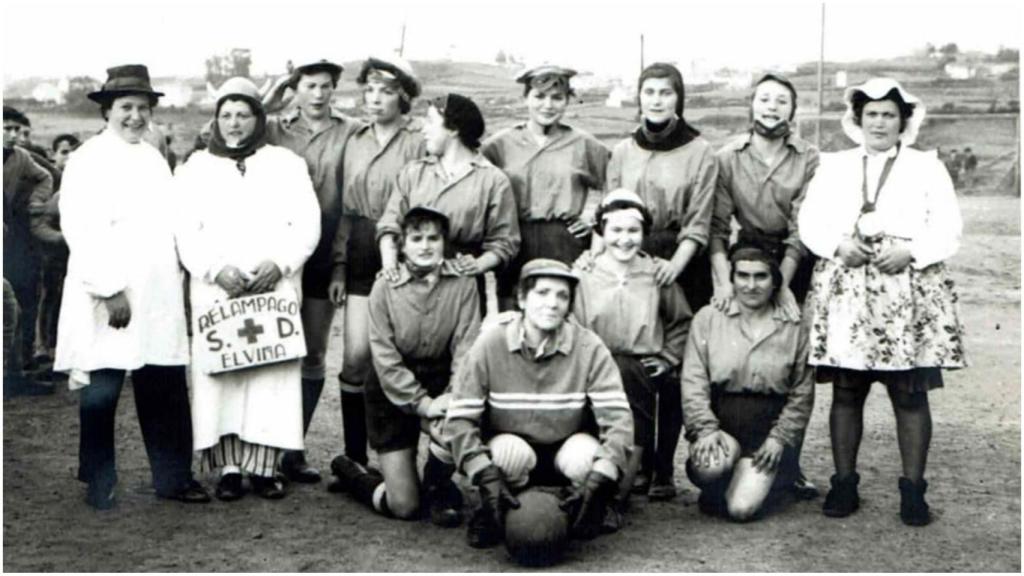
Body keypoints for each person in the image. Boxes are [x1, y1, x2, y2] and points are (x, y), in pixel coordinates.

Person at [798, 78, 966, 526]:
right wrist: (838, 246)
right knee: (848, 391)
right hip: (849, 285)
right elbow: (809, 221)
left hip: (905, 289)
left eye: (888, 115)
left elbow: (949, 226)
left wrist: (911, 251)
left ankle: (913, 492)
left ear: (903, 121)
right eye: (871, 114)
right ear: (857, 119)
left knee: (909, 395)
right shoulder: (833, 166)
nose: (879, 122)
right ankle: (844, 484)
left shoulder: (927, 167)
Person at [54, 64, 209, 509]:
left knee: (162, 380)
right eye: (126, 107)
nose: (136, 117)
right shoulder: (88, 160)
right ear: (107, 110)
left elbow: (172, 224)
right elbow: (82, 228)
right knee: (103, 385)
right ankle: (98, 477)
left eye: (143, 107)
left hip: (157, 289)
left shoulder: (153, 158)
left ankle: (173, 476)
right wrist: (108, 288)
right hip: (110, 292)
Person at [175, 77, 321, 501]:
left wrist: (280, 263)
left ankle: (266, 466)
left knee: (269, 374)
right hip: (219, 291)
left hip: (271, 287)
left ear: (258, 118)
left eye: (243, 115)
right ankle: (228, 468)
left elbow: (306, 222)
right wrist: (215, 268)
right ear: (215, 120)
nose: (234, 124)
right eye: (226, 116)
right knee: (223, 374)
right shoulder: (195, 168)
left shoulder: (285, 164)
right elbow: (185, 230)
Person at [446, 259, 634, 548]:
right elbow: (459, 420)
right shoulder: (490, 344)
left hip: (566, 448)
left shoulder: (589, 346)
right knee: (506, 453)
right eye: (542, 293)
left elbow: (619, 420)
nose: (553, 303)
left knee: (587, 458)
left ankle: (583, 504)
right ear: (521, 298)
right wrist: (484, 474)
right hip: (513, 450)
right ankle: (493, 507)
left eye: (562, 296)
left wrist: (602, 475)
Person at [592, 61, 717, 495]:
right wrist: (597, 263)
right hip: (629, 252)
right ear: (639, 97)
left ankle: (664, 467)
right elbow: (610, 217)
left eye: (666, 92)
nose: (657, 100)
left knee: (673, 363)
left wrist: (671, 269)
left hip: (680, 260)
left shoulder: (701, 151)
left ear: (679, 98)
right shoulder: (623, 150)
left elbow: (700, 222)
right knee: (635, 362)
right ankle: (637, 461)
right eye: (649, 92)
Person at [330, 206, 480, 527]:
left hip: (442, 383)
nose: (425, 246)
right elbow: (384, 360)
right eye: (416, 238)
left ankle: (437, 484)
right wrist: (422, 404)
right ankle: (351, 471)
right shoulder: (384, 287)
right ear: (402, 245)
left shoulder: (465, 284)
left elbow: (467, 351)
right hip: (391, 390)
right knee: (404, 506)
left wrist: (450, 398)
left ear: (444, 243)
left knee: (456, 422)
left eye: (433, 238)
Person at [709, 72, 820, 498]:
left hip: (795, 261)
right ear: (751, 106)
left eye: (781, 101)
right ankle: (732, 451)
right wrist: (722, 282)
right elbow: (718, 226)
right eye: (764, 100)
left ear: (793, 110)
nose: (771, 107)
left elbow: (800, 228)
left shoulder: (810, 158)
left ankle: (788, 464)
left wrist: (786, 285)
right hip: (744, 260)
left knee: (790, 358)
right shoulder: (727, 157)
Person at [262, 57, 364, 483]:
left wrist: (340, 265)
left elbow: (349, 204)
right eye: (309, 86)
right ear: (295, 88)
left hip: (324, 252)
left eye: (326, 86)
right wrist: (276, 90)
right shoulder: (274, 129)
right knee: (271, 351)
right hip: (274, 254)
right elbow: (227, 126)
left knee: (313, 352)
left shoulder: (350, 131)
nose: (319, 95)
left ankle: (293, 450)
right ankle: (261, 450)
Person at [326, 56, 426, 490]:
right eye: (369, 91)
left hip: (408, 249)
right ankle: (353, 458)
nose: (375, 99)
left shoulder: (419, 140)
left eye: (385, 91)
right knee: (356, 358)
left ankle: (409, 462)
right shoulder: (354, 139)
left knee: (405, 356)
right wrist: (339, 266)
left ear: (403, 96)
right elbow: (347, 212)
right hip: (363, 252)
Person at [572, 189, 692, 500]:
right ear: (601, 231)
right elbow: (570, 324)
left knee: (637, 384)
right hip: (593, 365)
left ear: (644, 234)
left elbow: (681, 320)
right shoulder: (584, 272)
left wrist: (667, 357)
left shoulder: (656, 273)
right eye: (616, 230)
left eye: (633, 231)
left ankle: (630, 480)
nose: (624, 239)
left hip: (639, 367)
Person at [682, 240, 814, 521]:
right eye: (742, 276)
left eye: (761, 276)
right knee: (709, 467)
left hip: (768, 430)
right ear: (732, 279)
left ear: (775, 280)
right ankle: (723, 480)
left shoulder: (794, 325)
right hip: (722, 424)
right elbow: (693, 380)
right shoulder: (708, 318)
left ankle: (778, 476)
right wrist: (704, 429)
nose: (751, 285)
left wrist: (779, 440)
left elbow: (802, 393)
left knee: (741, 510)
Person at [377, 93, 520, 315]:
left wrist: (478, 265)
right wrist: (389, 262)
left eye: (430, 122)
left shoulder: (493, 180)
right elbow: (390, 223)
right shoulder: (413, 173)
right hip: (411, 283)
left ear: (453, 129)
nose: (424, 130)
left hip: (463, 286)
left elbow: (504, 241)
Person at [481, 65, 610, 311]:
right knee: (514, 314)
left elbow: (615, 183)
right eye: (539, 96)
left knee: (562, 311)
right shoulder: (500, 144)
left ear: (567, 101)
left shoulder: (583, 144)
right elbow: (476, 183)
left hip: (564, 241)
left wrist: (594, 221)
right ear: (526, 98)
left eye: (557, 98)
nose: (547, 105)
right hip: (516, 240)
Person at [3, 105, 54, 396]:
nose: (12, 135)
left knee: (20, 299)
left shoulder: (21, 157)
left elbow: (46, 177)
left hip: (11, 237)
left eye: (15, 129)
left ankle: (16, 370)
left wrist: (36, 204)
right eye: (6, 129)